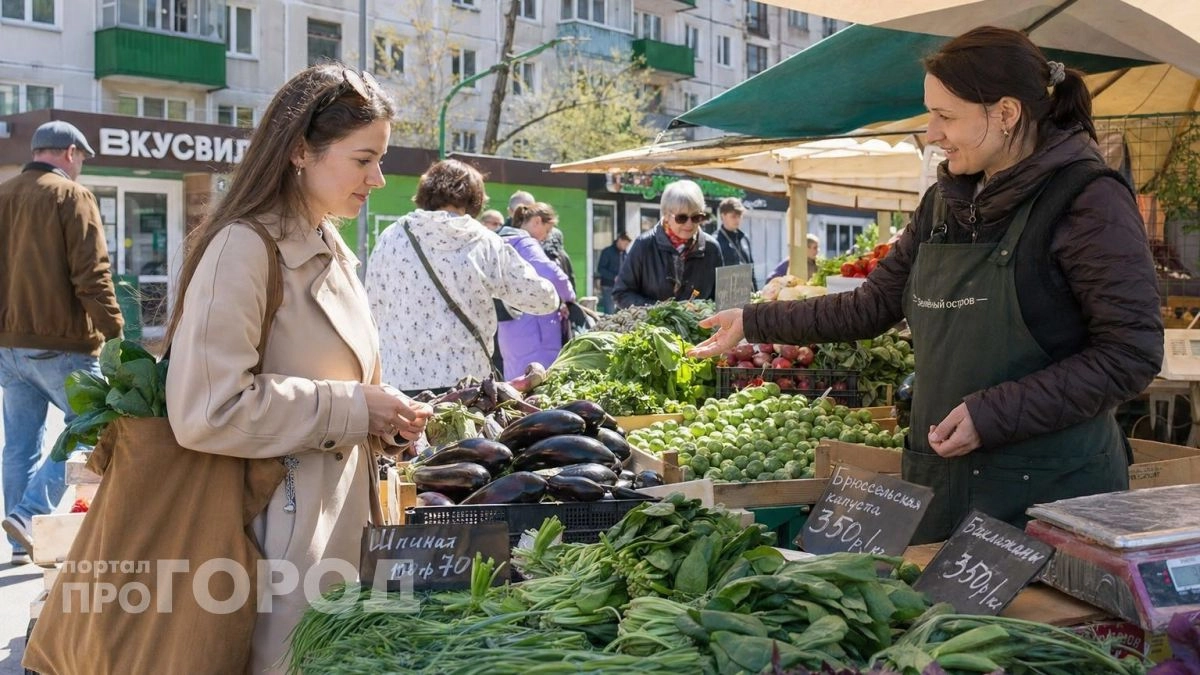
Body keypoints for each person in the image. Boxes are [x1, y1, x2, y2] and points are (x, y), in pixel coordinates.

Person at [691, 26, 1163, 544]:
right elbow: (871, 306)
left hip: (1051, 495)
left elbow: (1130, 352)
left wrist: (993, 414)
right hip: (944, 481)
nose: (931, 133)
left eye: (945, 116)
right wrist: (755, 320)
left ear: (1006, 114)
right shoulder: (945, 205)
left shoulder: (1088, 200)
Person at [163, 64, 433, 672]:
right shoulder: (244, 247)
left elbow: (342, 381)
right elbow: (207, 409)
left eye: (381, 158)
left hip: (338, 533)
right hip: (272, 545)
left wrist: (384, 417)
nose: (379, 178)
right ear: (299, 152)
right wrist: (355, 407)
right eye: (364, 159)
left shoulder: (331, 248)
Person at [0, 121, 124, 566]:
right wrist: (115, 334)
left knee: (20, 444)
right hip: (62, 344)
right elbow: (92, 274)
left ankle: (19, 541)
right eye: (83, 158)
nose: (82, 166)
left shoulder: (4, 193)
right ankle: (29, 514)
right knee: (90, 424)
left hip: (9, 347)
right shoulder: (72, 196)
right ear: (70, 152)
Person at [366, 160, 559, 394]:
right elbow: (544, 300)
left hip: (399, 382)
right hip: (467, 387)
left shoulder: (391, 237)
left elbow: (371, 309)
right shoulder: (485, 241)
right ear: (475, 198)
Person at [614, 180, 724, 308]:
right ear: (666, 215)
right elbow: (621, 293)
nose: (689, 224)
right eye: (681, 218)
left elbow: (720, 298)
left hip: (697, 327)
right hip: (652, 326)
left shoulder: (712, 248)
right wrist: (661, 311)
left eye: (696, 217)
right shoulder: (644, 245)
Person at [497, 202, 575, 379]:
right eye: (547, 230)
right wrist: (568, 298)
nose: (546, 237)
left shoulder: (501, 240)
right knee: (539, 386)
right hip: (535, 328)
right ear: (537, 221)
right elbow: (554, 274)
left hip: (508, 325)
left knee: (515, 384)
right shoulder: (525, 243)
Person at [715, 197, 756, 290]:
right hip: (726, 293)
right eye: (733, 216)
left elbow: (751, 270)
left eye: (740, 216)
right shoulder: (715, 241)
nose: (737, 220)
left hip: (746, 291)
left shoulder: (744, 238)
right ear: (723, 216)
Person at [595, 232, 631, 314]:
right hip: (608, 287)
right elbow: (600, 269)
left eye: (627, 245)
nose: (626, 246)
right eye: (625, 244)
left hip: (621, 287)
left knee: (622, 313)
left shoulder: (625, 254)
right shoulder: (607, 252)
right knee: (610, 312)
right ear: (619, 240)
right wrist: (614, 277)